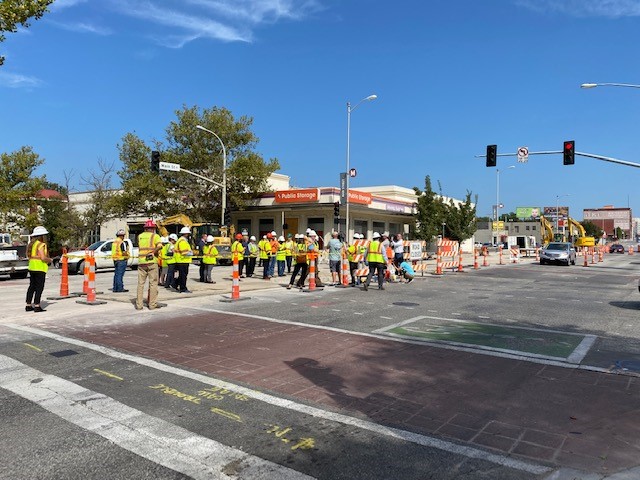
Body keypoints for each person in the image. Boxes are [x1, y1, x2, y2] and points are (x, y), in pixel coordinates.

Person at [136, 219, 163, 310]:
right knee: (153, 284)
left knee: (140, 284)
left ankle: (139, 305)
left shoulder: (140, 236)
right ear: (153, 228)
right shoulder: (155, 236)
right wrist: (153, 252)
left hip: (141, 262)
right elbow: (159, 246)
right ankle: (152, 304)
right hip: (152, 262)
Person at [25, 226, 51, 312]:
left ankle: (28, 305)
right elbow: (43, 258)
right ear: (42, 236)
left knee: (32, 286)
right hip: (39, 268)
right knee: (39, 287)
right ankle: (37, 305)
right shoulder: (41, 244)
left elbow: (30, 256)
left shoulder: (32, 244)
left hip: (32, 267)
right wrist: (50, 260)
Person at [173, 226, 194, 293]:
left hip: (181, 260)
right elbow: (184, 253)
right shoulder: (183, 241)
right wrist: (191, 253)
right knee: (183, 276)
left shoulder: (180, 240)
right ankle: (183, 288)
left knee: (182, 275)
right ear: (186, 234)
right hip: (183, 260)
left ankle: (175, 284)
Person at [111, 228, 129, 293]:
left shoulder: (114, 242)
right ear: (122, 235)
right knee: (120, 275)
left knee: (116, 274)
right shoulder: (122, 243)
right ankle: (120, 288)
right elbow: (124, 252)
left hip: (115, 260)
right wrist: (127, 256)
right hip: (121, 260)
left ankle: (115, 288)